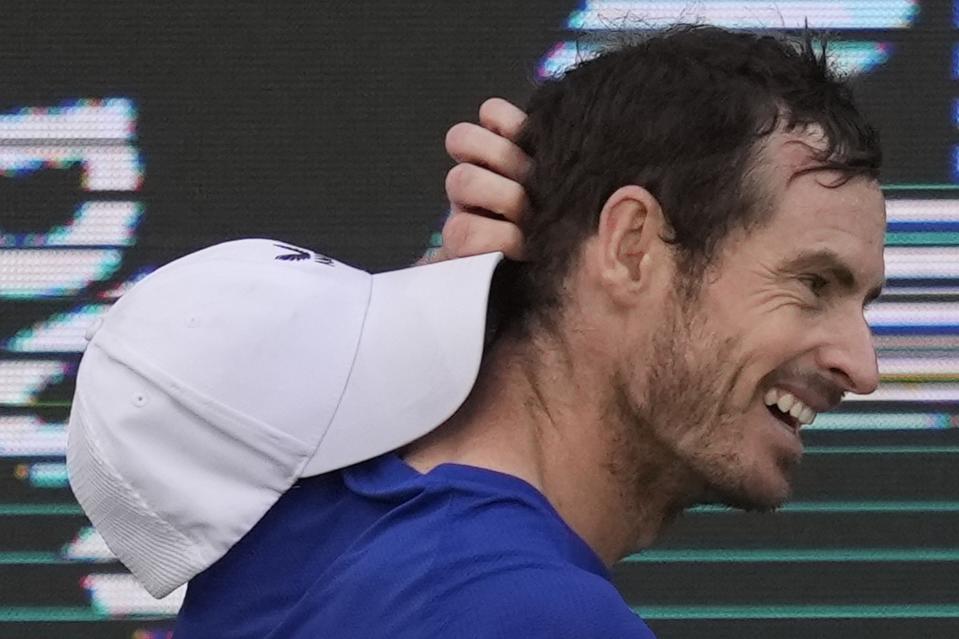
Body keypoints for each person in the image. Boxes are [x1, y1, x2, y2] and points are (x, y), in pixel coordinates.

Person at [67, 25, 885, 638]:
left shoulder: (288, 542)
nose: (862, 365)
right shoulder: (530, 614)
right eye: (812, 283)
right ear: (632, 245)